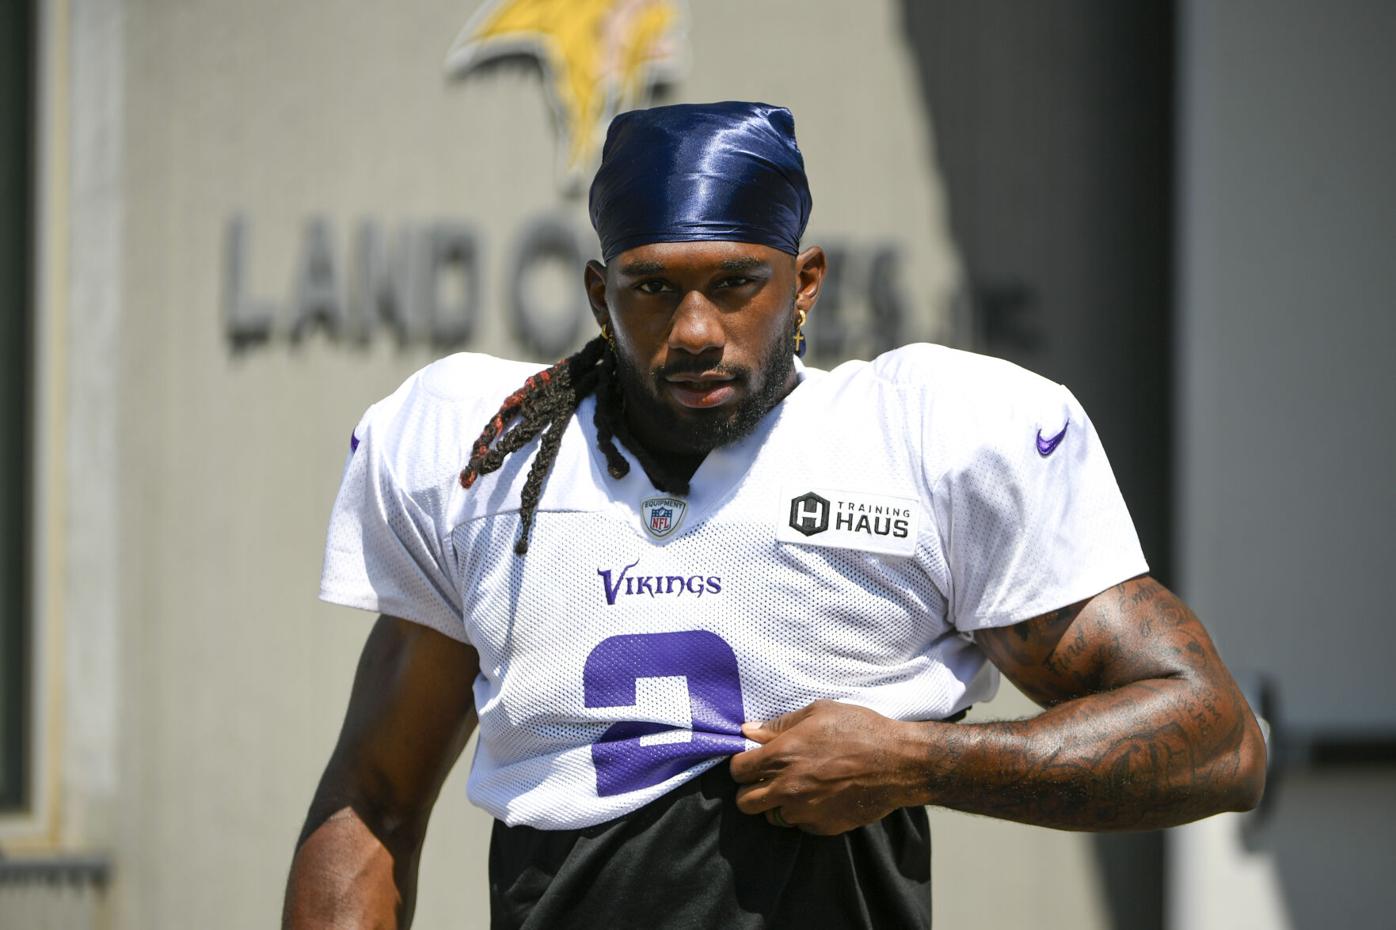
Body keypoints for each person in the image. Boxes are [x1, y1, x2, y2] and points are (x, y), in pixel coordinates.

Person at [283, 101, 1265, 929]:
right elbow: (374, 795)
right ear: (598, 294)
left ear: (803, 284)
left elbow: (1219, 742)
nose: (695, 331)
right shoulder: (484, 456)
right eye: (652, 288)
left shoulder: (927, 441)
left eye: (735, 284)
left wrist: (918, 761)